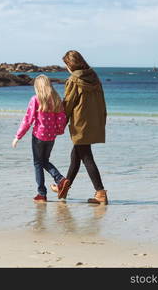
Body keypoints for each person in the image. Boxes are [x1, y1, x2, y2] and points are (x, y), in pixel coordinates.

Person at [51, 50, 108, 204]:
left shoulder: (73, 80)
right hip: (94, 121)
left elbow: (68, 105)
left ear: (70, 65)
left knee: (86, 156)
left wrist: (60, 123)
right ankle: (63, 187)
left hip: (80, 123)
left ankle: (100, 192)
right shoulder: (94, 77)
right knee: (76, 156)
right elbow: (102, 102)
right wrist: (102, 120)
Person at [12, 74, 70, 202]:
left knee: (38, 163)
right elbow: (61, 118)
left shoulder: (35, 99)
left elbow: (28, 120)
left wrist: (18, 136)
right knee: (44, 161)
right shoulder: (56, 99)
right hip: (51, 137)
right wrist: (59, 131)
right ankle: (60, 179)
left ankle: (42, 194)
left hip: (38, 136)